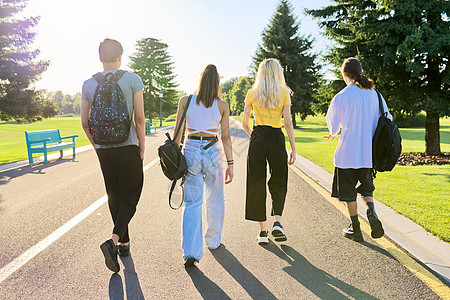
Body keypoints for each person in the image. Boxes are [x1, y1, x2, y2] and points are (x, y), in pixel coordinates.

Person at [81, 38, 146, 272]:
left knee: (114, 195)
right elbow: (139, 118)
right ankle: (114, 241)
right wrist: (141, 145)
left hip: (104, 150)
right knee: (131, 196)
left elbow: (84, 122)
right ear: (121, 56)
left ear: (100, 58)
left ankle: (125, 244)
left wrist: (97, 146)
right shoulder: (132, 79)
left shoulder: (89, 84)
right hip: (127, 146)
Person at [324, 57, 390, 242]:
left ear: (345, 75)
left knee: (348, 193)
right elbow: (387, 118)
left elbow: (333, 125)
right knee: (366, 190)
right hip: (368, 155)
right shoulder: (375, 94)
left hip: (347, 155)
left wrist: (333, 132)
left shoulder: (342, 96)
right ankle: (372, 213)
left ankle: (356, 228)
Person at [174, 64, 234, 267]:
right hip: (212, 150)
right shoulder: (222, 105)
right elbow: (225, 137)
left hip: (191, 149)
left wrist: (174, 161)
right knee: (215, 197)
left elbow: (178, 135)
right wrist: (231, 164)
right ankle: (213, 241)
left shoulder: (185, 101)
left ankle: (191, 251)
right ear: (217, 82)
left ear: (200, 80)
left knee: (192, 202)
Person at [242, 58, 296, 245]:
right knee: (279, 179)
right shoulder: (283, 93)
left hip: (257, 135)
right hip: (276, 137)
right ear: (278, 73)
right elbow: (287, 123)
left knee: (256, 181)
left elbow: (244, 123)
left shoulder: (252, 93)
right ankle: (278, 223)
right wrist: (293, 149)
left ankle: (263, 232)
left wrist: (254, 136)